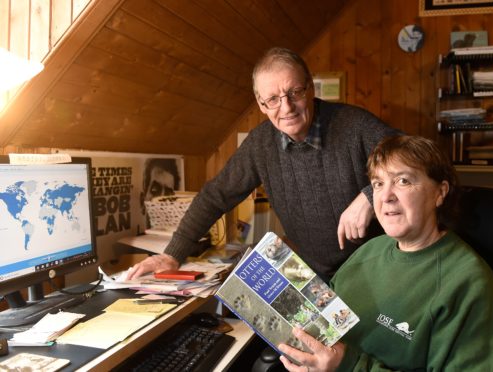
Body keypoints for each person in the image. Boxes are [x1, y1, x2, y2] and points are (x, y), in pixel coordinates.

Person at [127, 47, 400, 281]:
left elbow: (418, 159)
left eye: (295, 92)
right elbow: (215, 196)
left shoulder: (354, 125)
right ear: (261, 104)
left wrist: (371, 194)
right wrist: (172, 255)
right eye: (273, 100)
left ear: (310, 88)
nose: (287, 107)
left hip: (376, 271)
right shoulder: (261, 144)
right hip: (315, 277)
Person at [278, 135, 493, 371]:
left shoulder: (469, 283)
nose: (385, 196)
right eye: (378, 183)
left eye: (403, 181)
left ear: (440, 193)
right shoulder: (370, 250)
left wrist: (348, 365)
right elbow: (325, 324)